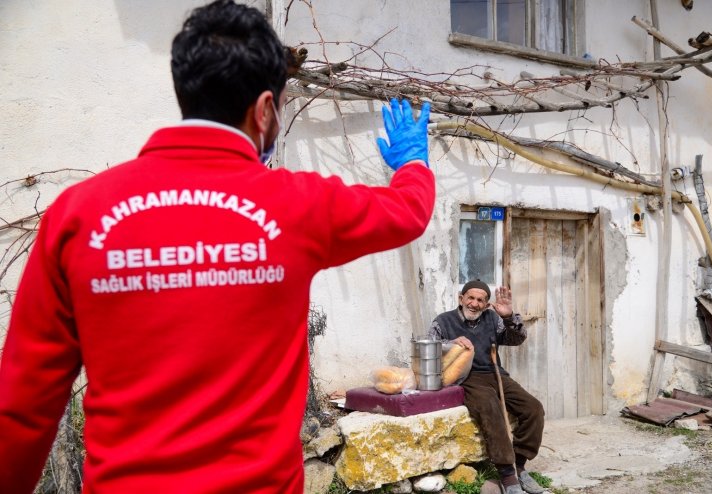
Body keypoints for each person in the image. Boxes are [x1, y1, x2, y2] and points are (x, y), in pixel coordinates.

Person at [0, 1, 434, 493]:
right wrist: (412, 165)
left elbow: (22, 405)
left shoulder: (77, 214)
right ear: (265, 109)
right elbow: (407, 212)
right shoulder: (301, 206)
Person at [428, 280, 545, 494]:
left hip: (494, 372)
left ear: (486, 303)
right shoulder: (443, 321)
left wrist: (508, 317)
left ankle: (519, 465)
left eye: (480, 300)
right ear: (460, 298)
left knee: (533, 408)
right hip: (467, 377)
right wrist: (451, 343)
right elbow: (430, 350)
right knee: (490, 408)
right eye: (470, 298)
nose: (474, 303)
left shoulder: (492, 318)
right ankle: (507, 475)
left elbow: (515, 339)